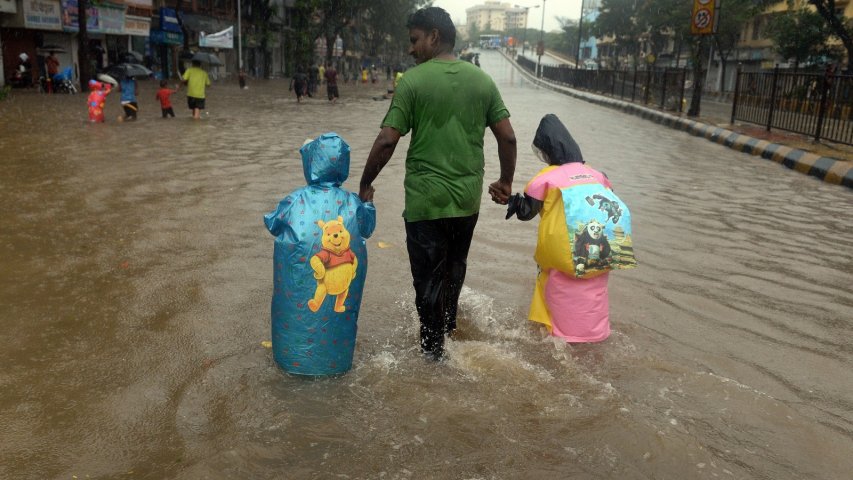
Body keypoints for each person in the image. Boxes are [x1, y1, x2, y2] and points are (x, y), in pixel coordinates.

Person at [358, 6, 517, 360]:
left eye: (414, 40)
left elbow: (387, 140)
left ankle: (434, 360)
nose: (411, 49)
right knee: (453, 270)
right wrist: (505, 182)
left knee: (427, 283)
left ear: (433, 36)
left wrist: (365, 183)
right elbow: (507, 137)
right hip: (466, 202)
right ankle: (449, 333)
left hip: (425, 203)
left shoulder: (412, 82)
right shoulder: (482, 81)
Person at [505, 114, 635, 343]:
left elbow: (526, 213)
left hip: (564, 253)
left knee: (558, 292)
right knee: (594, 290)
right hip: (601, 249)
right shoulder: (597, 175)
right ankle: (595, 334)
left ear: (548, 150)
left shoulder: (546, 178)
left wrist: (510, 200)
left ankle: (559, 336)